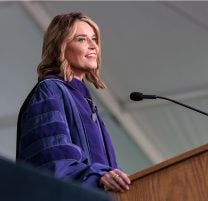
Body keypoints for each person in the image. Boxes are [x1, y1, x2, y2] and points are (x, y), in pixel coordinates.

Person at [16, 12, 131, 192]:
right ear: (60, 46)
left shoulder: (85, 100)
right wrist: (97, 176)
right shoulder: (50, 92)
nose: (93, 46)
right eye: (82, 39)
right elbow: (51, 158)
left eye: (94, 39)